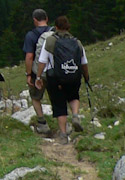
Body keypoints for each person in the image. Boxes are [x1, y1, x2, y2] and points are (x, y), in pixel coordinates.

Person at [34, 14, 90, 142]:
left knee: (59, 106)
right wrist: (86, 77)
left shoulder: (50, 41)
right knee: (74, 96)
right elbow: (84, 62)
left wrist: (38, 77)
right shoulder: (76, 42)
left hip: (55, 78)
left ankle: (64, 135)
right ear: (68, 27)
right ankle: (75, 115)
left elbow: (42, 61)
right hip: (73, 76)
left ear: (56, 27)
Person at [22, 9, 53, 134]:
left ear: (34, 20)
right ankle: (64, 124)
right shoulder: (54, 32)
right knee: (57, 97)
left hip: (38, 72)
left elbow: (29, 56)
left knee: (35, 97)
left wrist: (29, 74)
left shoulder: (31, 35)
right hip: (55, 71)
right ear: (47, 18)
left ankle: (42, 123)